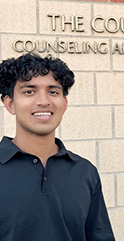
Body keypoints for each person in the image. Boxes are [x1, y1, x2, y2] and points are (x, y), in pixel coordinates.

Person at [0, 53, 115, 241]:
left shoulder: (85, 172)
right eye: (29, 91)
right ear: (10, 104)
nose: (44, 101)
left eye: (53, 92)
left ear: (64, 104)